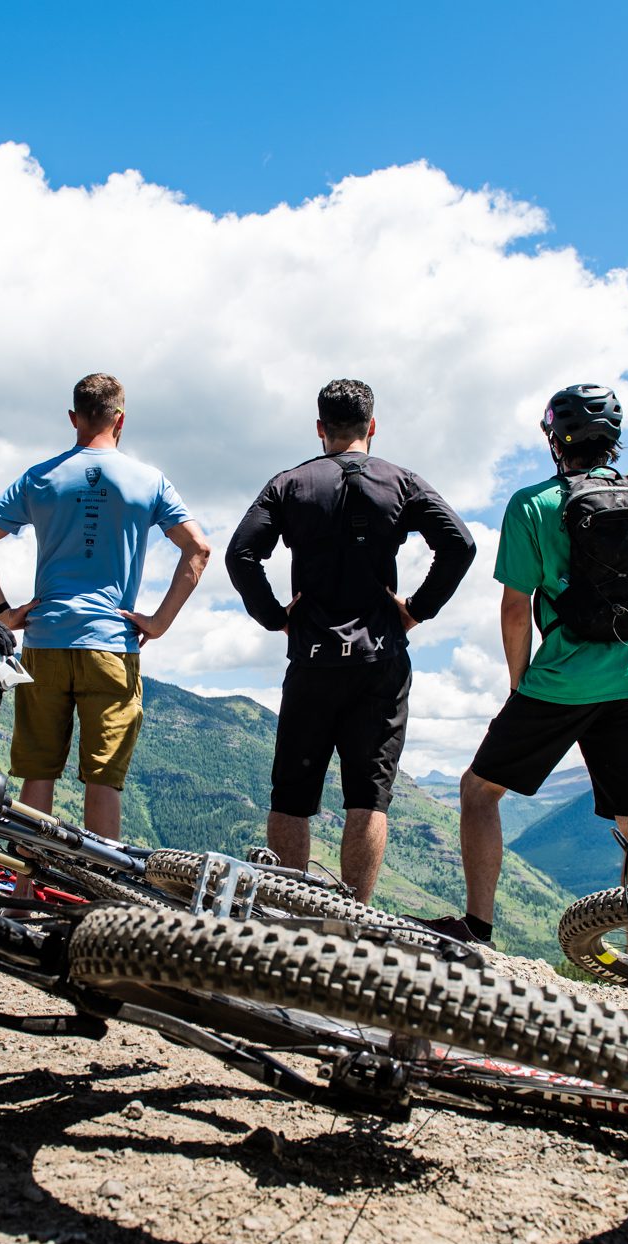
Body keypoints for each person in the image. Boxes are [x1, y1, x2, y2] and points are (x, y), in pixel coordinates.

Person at [436, 384, 628, 946]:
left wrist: (520, 684)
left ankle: (477, 927)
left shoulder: (533, 503)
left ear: (555, 440)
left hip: (560, 681)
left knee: (479, 790)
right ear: (615, 441)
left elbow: (515, 608)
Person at [225, 379, 476, 900]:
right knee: (368, 798)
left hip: (312, 659)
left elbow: (240, 555)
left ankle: (291, 912)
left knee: (292, 796)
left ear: (320, 429)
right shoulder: (401, 481)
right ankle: (352, 915)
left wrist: (276, 617)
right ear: (373, 426)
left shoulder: (289, 484)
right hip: (380, 660)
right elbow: (460, 544)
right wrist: (417, 611)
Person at [0, 373, 211, 839]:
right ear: (120, 419)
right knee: (104, 781)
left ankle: (24, 891)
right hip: (112, 647)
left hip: (45, 642)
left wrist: (2, 611)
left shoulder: (40, 476)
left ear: (73, 417)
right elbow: (198, 548)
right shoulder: (149, 480)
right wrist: (158, 622)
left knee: (38, 776)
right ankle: (102, 892)